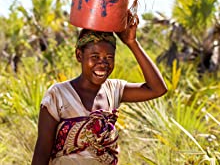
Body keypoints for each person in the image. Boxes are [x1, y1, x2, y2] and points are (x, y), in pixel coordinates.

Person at [31, 16, 167, 165]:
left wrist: (132, 43)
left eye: (109, 57)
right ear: (79, 55)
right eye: (94, 57)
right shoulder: (58, 95)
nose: (102, 64)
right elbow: (42, 152)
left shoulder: (114, 90)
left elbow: (157, 89)